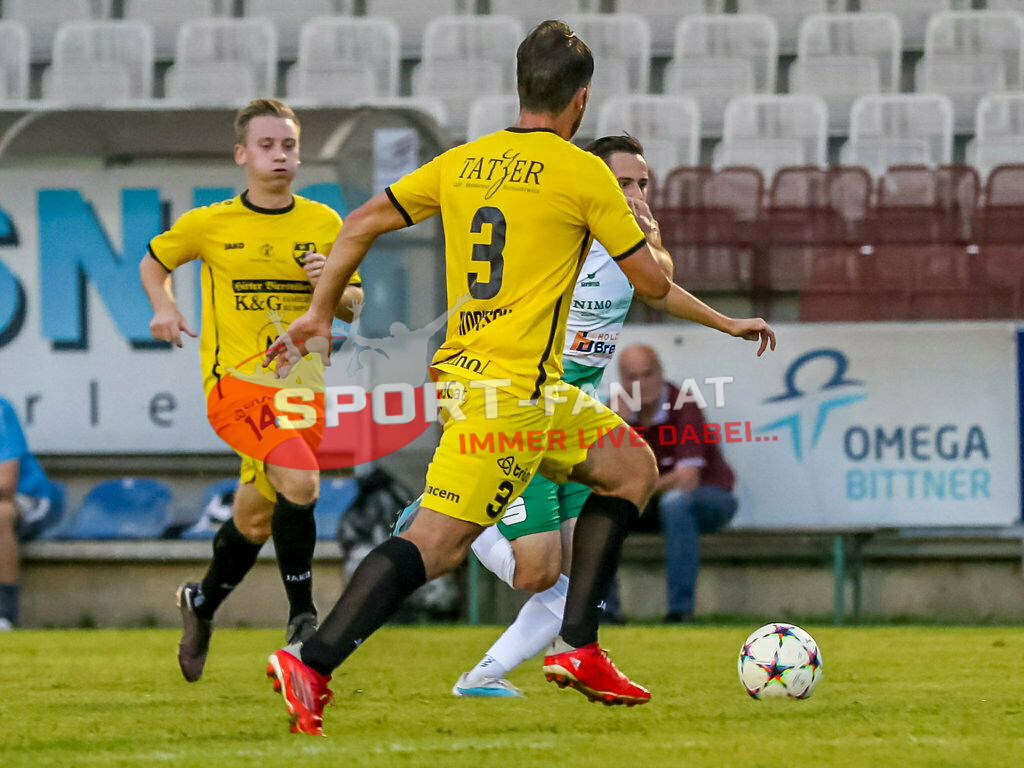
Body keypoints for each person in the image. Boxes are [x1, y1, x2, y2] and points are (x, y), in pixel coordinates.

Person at [263, 20, 774, 736]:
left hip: (507, 386)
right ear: (581, 102)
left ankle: (577, 645)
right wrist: (649, 238)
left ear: (519, 87)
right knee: (436, 545)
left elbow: (361, 222)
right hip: (509, 399)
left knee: (632, 466)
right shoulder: (582, 173)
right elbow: (651, 285)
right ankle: (312, 663)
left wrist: (321, 312)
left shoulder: (464, 161)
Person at [138, 98, 364, 683]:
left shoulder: (323, 222)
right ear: (242, 154)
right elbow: (154, 262)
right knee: (303, 481)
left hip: (300, 391)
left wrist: (331, 286)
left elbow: (353, 307)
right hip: (236, 388)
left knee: (256, 519)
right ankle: (304, 621)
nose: (279, 154)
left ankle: (203, 601)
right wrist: (163, 307)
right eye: (266, 145)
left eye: (288, 144)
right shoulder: (210, 223)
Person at [447, 134, 674, 697]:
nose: (634, 193)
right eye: (622, 182)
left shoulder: (632, 250)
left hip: (576, 419)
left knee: (575, 578)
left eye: (642, 183)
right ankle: (455, 521)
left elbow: (663, 286)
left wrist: (658, 243)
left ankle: (482, 677)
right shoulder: (557, 237)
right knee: (538, 571)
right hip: (517, 408)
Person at [615, 343, 738, 623]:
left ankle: (680, 612)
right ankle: (605, 612)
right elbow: (611, 481)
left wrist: (635, 487)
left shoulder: (684, 403)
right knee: (599, 510)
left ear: (661, 373)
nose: (641, 384)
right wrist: (623, 430)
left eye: (647, 374)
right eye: (632, 377)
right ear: (622, 381)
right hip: (649, 504)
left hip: (709, 499)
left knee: (675, 502)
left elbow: (686, 480)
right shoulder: (615, 412)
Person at [0, 397, 64, 630]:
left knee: (1, 513)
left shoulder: (0, 410)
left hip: (29, 497)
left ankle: (3, 615)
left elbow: (6, 485)